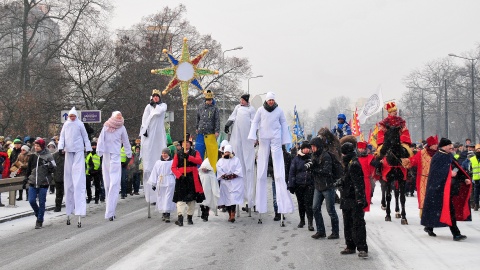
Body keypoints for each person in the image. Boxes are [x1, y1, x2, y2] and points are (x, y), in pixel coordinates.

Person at [248, 91, 294, 223]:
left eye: (273, 100)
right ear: (266, 101)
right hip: (263, 138)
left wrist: (285, 139)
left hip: (275, 138)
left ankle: (281, 207)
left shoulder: (279, 111)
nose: (271, 102)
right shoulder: (261, 110)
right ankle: (261, 206)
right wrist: (253, 136)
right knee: (261, 172)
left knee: (279, 172)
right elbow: (255, 122)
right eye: (269, 100)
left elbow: (284, 124)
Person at [421, 138, 472, 241]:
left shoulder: (449, 156)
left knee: (439, 209)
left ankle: (429, 226)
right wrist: (449, 173)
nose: (451, 148)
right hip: (438, 189)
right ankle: (456, 234)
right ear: (444, 146)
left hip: (447, 189)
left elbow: (456, 167)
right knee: (448, 210)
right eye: (450, 146)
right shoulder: (438, 157)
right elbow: (436, 173)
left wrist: (464, 178)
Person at [58, 107, 92, 222]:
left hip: (78, 150)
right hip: (69, 150)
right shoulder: (66, 125)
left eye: (73, 116)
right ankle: (69, 207)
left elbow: (85, 136)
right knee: (68, 179)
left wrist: (88, 148)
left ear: (76, 116)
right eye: (70, 116)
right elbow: (62, 137)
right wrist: (60, 147)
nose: (72, 118)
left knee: (78, 179)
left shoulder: (80, 124)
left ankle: (80, 208)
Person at [96, 111, 132, 221]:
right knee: (107, 184)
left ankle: (110, 211)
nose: (119, 119)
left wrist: (128, 152)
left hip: (116, 156)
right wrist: (99, 150)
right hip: (106, 155)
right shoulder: (106, 126)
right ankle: (110, 209)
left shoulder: (122, 128)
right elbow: (101, 139)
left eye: (120, 117)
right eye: (117, 117)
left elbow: (125, 141)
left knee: (114, 183)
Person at [225, 94, 257, 213]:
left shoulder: (251, 109)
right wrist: (228, 124)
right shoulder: (238, 108)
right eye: (241, 100)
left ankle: (250, 197)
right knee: (240, 165)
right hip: (238, 138)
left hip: (247, 138)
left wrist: (255, 135)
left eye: (243, 100)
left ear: (246, 101)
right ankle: (241, 195)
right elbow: (232, 117)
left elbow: (254, 122)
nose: (241, 101)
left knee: (248, 168)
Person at [337, 142, 368, 258]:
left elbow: (358, 183)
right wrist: (341, 182)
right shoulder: (349, 162)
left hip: (354, 199)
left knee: (357, 223)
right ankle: (350, 246)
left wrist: (360, 199)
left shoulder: (353, 164)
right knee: (348, 223)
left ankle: (362, 248)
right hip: (347, 197)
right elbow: (348, 179)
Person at [305, 136, 339, 239]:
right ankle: (320, 231)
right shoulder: (314, 156)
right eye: (311, 147)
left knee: (331, 210)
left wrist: (314, 170)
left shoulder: (326, 156)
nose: (312, 149)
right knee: (315, 208)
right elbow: (313, 166)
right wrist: (310, 167)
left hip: (328, 186)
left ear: (319, 146)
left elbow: (327, 171)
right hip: (318, 186)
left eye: (314, 146)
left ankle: (335, 232)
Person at [140, 89, 168, 204]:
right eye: (154, 96)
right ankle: (150, 195)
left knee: (160, 159)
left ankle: (160, 193)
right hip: (149, 135)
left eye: (157, 96)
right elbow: (144, 120)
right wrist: (145, 130)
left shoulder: (163, 105)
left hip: (159, 135)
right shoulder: (148, 107)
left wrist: (155, 106)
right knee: (149, 165)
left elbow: (159, 112)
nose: (156, 98)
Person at [402, 136, 438, 218]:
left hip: (435, 179)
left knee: (435, 196)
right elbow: (413, 160)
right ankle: (424, 214)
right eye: (435, 144)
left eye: (436, 144)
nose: (436, 146)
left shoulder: (438, 153)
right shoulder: (422, 153)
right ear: (431, 145)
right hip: (423, 179)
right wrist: (406, 161)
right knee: (424, 197)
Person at [171, 140, 204, 226]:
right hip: (181, 178)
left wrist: (188, 157)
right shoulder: (177, 154)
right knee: (180, 198)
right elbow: (173, 167)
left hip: (192, 177)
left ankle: (190, 217)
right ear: (181, 145)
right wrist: (179, 175)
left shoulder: (195, 152)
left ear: (190, 144)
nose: (186, 144)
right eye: (184, 143)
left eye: (187, 143)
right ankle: (180, 218)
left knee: (191, 199)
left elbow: (199, 161)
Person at [25, 139, 56, 229]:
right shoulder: (32, 156)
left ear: (42, 146)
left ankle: (39, 220)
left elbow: (54, 168)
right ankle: (38, 213)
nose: (36, 147)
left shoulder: (49, 156)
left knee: (42, 202)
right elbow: (29, 168)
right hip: (33, 182)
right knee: (31, 201)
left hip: (44, 182)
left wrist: (49, 165)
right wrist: (26, 178)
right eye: (35, 146)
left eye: (38, 146)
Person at [288, 141, 314, 231]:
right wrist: (291, 184)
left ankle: (310, 222)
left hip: (309, 184)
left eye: (308, 148)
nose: (306, 150)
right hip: (299, 184)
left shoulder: (312, 158)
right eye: (305, 148)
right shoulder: (296, 159)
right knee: (301, 203)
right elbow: (292, 172)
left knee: (309, 204)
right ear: (302, 149)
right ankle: (302, 220)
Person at [217, 145, 244, 223]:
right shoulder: (221, 161)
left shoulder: (236, 160)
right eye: (226, 152)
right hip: (225, 183)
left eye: (228, 152)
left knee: (233, 198)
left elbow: (239, 170)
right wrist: (224, 176)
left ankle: (233, 214)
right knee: (227, 199)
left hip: (234, 183)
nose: (227, 153)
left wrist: (232, 175)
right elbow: (219, 169)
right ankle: (229, 214)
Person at [149, 148, 176, 223]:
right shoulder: (158, 162)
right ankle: (163, 213)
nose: (164, 155)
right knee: (161, 197)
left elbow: (175, 172)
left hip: (169, 180)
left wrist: (177, 180)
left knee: (168, 197)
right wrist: (153, 183)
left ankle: (167, 214)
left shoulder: (172, 162)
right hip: (161, 181)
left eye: (165, 153)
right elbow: (155, 172)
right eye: (163, 153)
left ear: (168, 154)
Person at [196, 90, 220, 172]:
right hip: (201, 133)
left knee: (212, 153)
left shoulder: (215, 108)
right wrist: (197, 127)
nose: (209, 101)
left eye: (210, 100)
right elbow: (198, 118)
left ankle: (213, 171)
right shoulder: (200, 107)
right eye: (207, 100)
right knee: (199, 153)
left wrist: (217, 131)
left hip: (210, 133)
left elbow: (217, 120)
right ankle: (199, 170)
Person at [198, 158, 220, 222]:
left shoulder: (211, 175)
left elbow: (214, 184)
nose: (204, 169)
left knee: (207, 204)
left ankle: (206, 215)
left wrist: (215, 191)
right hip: (201, 192)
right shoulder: (199, 175)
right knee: (201, 204)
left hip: (208, 192)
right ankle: (203, 213)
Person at [356, 141, 375, 210]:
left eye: (362, 148)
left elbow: (375, 164)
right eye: (359, 148)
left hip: (366, 180)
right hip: (355, 180)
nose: (360, 150)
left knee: (365, 198)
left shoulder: (369, 158)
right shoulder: (354, 158)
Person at [467, 144, 480, 211]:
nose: (479, 150)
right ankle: (476, 204)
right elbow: (470, 169)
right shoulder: (472, 159)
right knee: (476, 193)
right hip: (476, 178)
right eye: (477, 149)